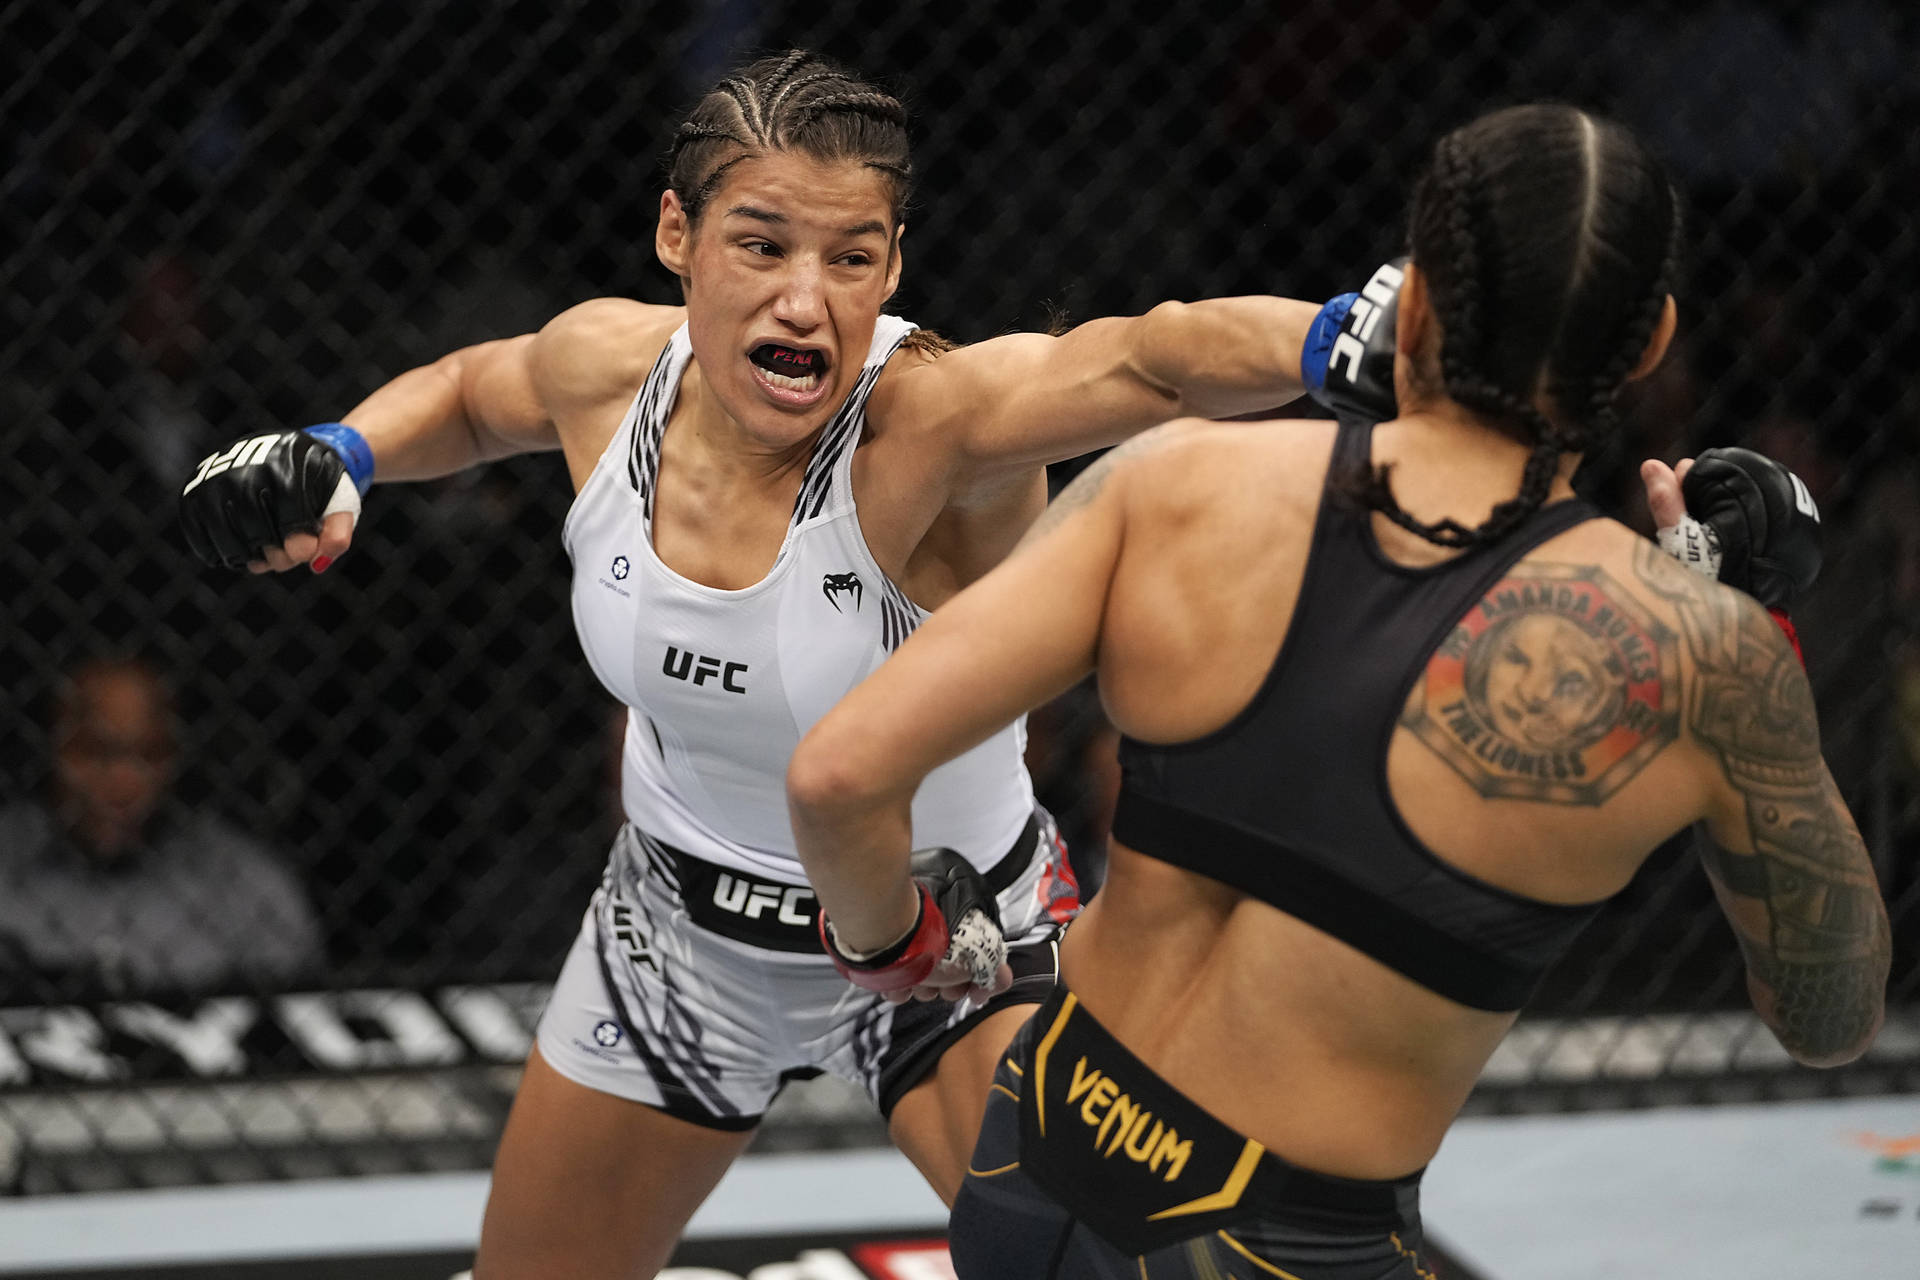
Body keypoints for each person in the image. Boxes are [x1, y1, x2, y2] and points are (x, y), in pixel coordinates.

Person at [176, 50, 1369, 1279]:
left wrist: (1340, 338)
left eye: (850, 258)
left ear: (893, 267)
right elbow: (480, 394)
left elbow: (1148, 358)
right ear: (676, 235)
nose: (807, 301)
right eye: (763, 246)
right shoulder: (607, 373)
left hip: (951, 947)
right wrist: (344, 451)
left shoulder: (934, 427)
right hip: (676, 938)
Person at [786, 103, 1892, 1278]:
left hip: (1029, 1167)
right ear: (1654, 340)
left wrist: (897, 951)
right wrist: (1745, 630)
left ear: (1409, 299)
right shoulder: (1700, 660)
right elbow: (1828, 1015)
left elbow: (840, 772)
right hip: (1282, 1244)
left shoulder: (1177, 479)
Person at [0, 657, 323, 999]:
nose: (122, 784)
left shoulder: (247, 885)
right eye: (96, 753)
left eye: (149, 754)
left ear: (176, 757)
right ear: (52, 748)